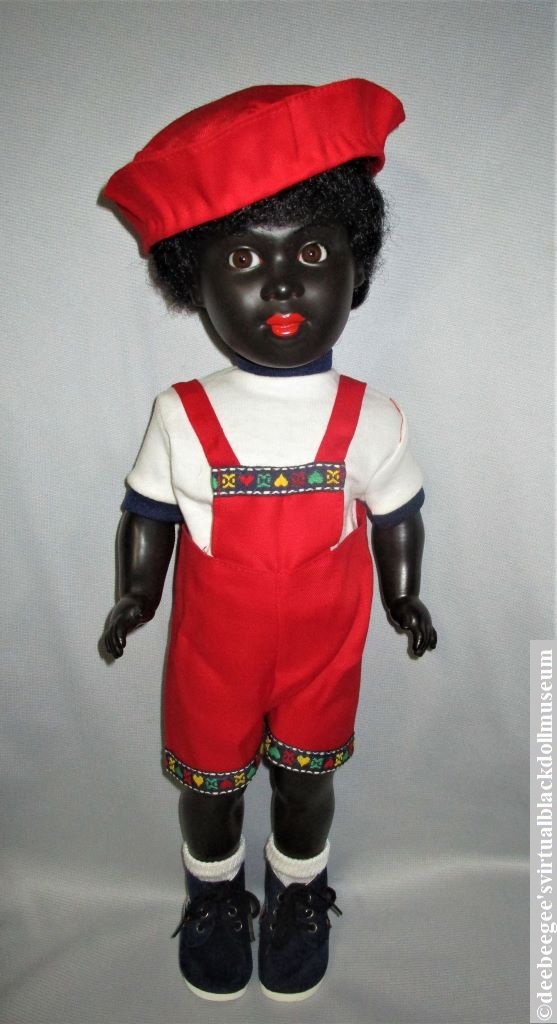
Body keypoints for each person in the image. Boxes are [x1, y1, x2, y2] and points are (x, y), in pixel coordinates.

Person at [102, 78, 437, 1003]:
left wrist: (405, 593)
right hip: (212, 652)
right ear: (195, 282)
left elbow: (398, 515)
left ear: (356, 269)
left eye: (313, 251)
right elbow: (149, 515)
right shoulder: (181, 414)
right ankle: (213, 898)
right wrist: (137, 594)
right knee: (208, 788)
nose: (282, 284)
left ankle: (297, 891)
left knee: (304, 783)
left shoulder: (372, 417)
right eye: (245, 256)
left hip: (323, 652)